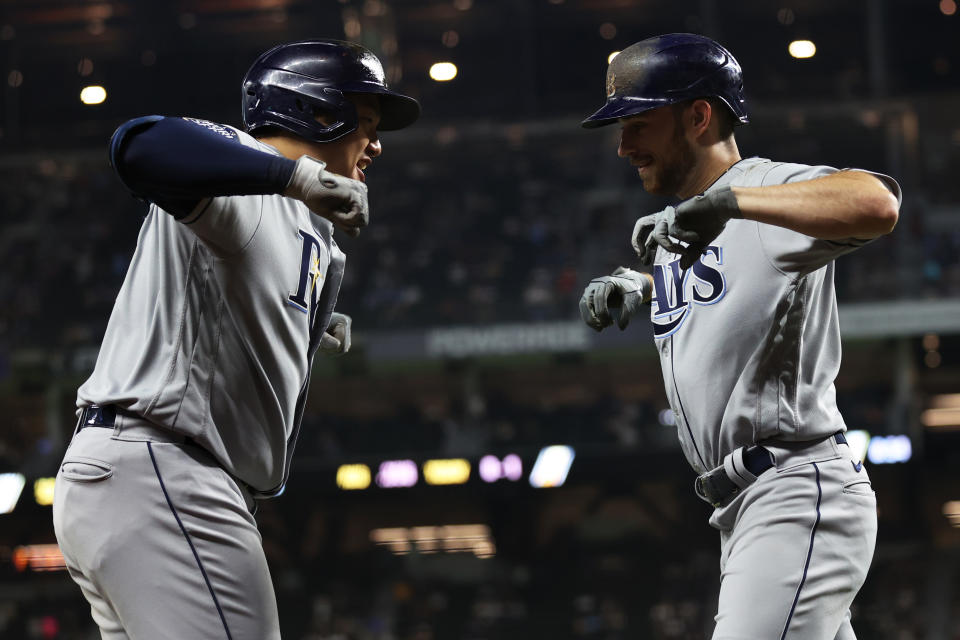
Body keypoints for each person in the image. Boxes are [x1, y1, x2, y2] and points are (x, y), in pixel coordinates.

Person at [52, 39, 419, 639]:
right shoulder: (248, 169)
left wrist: (299, 319)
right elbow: (139, 145)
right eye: (368, 124)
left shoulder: (310, 227)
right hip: (166, 467)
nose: (376, 144)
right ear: (318, 112)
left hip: (142, 475)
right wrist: (293, 174)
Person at [578, 33, 900, 639]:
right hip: (742, 507)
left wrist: (732, 202)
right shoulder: (690, 217)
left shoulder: (761, 191)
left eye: (638, 124)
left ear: (698, 116)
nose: (622, 146)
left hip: (794, 489)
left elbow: (876, 203)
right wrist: (647, 285)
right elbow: (735, 283)